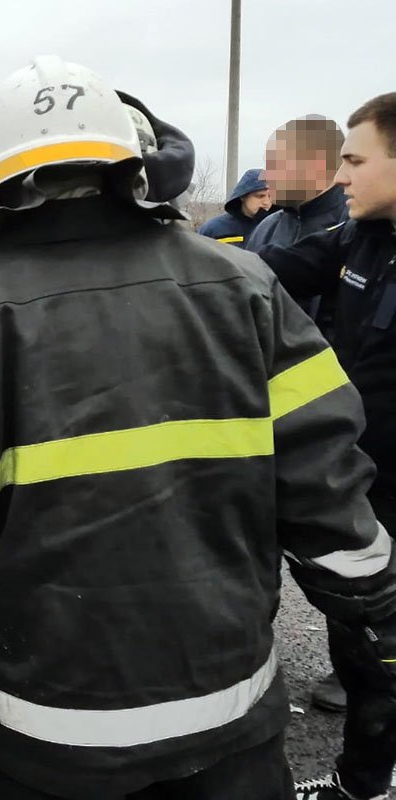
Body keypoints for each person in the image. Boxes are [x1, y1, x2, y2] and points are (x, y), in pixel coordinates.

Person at [0, 55, 396, 800]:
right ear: (135, 167)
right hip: (228, 726)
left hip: (51, 741)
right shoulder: (245, 290)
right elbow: (326, 496)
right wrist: (379, 623)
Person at [253, 91, 396, 799]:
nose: (342, 177)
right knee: (363, 644)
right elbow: (273, 270)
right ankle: (361, 783)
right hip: (364, 483)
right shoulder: (360, 238)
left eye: (356, 161)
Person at [246, 115, 351, 330]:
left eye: (274, 164)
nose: (264, 176)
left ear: (317, 165)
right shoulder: (266, 228)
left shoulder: (356, 229)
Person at [198, 168, 274, 245]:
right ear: (243, 196)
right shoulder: (214, 229)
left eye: (270, 196)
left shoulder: (277, 228)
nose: (266, 202)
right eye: (260, 196)